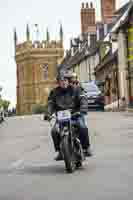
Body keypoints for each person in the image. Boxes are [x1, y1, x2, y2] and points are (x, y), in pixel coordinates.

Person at [48, 72, 92, 161]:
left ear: (68, 81)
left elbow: (83, 99)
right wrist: (48, 114)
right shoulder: (54, 92)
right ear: (58, 82)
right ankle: (60, 151)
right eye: (61, 81)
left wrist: (83, 109)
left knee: (82, 127)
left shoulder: (76, 90)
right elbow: (50, 104)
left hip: (75, 115)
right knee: (54, 131)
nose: (63, 82)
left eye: (65, 80)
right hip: (61, 117)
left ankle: (86, 148)